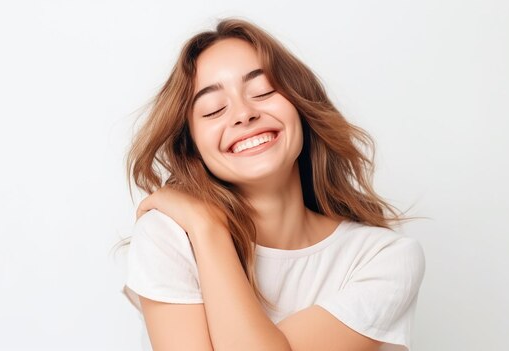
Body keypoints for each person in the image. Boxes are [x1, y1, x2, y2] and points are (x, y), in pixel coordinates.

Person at [120, 18, 426, 351]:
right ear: (191, 145)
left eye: (263, 91)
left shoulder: (383, 258)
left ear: (301, 106)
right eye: (213, 109)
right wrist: (207, 228)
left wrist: (207, 229)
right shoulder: (170, 237)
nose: (243, 114)